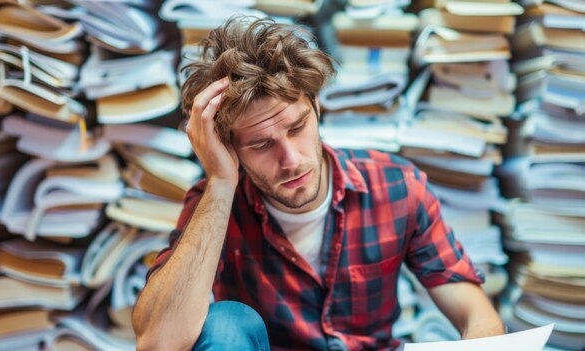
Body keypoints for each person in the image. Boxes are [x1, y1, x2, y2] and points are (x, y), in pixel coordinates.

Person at [132, 16, 505, 351]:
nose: (291, 160)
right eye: (261, 145)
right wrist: (220, 182)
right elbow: (159, 344)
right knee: (226, 324)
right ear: (229, 148)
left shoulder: (396, 185)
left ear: (317, 107)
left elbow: (477, 315)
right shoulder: (214, 202)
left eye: (297, 127)